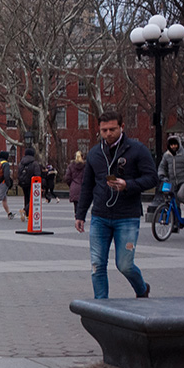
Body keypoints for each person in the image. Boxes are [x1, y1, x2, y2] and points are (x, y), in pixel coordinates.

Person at [74, 110, 158, 299]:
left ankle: (142, 289)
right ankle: (102, 306)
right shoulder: (96, 153)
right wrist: (80, 215)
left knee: (125, 264)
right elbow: (87, 186)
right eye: (104, 130)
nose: (108, 134)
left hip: (127, 216)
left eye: (112, 129)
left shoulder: (136, 149)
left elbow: (152, 178)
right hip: (100, 216)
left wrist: (128, 185)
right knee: (97, 264)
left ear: (122, 127)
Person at [17, 147, 40, 221]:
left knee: (26, 197)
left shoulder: (21, 163)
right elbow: (37, 174)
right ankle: (25, 210)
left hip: (23, 182)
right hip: (32, 182)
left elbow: (18, 173)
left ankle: (28, 214)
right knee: (32, 198)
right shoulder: (34, 163)